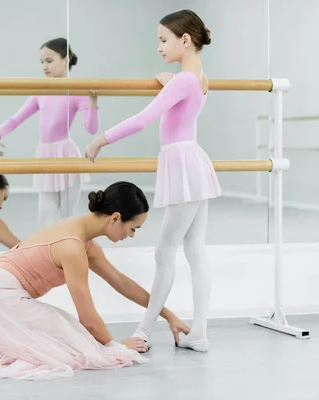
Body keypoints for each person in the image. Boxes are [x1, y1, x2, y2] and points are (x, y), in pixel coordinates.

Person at [0, 181, 191, 380]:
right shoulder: (73, 245)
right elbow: (88, 319)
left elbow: (121, 282)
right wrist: (117, 347)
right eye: (134, 228)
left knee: (58, 333)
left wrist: (168, 315)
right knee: (76, 339)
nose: (132, 235)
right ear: (115, 218)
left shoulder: (78, 236)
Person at [85, 10, 221, 352]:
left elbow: (144, 118)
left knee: (166, 251)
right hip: (192, 161)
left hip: (182, 163)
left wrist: (101, 139)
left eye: (164, 40)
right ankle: (199, 333)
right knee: (194, 248)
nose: (159, 47)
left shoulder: (184, 81)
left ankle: (145, 328)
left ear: (185, 40)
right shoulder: (199, 78)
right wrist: (169, 83)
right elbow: (183, 102)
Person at [0, 37, 99, 226]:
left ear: (66, 60)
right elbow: (17, 118)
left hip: (66, 154)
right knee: (46, 215)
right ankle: (49, 251)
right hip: (45, 154)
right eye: (41, 62)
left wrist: (93, 103)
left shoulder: (76, 91)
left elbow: (91, 128)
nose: (44, 66)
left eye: (49, 61)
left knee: (67, 214)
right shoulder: (41, 91)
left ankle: (67, 250)